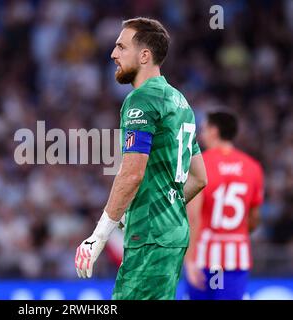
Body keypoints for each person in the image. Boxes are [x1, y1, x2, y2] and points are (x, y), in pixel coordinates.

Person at [74, 17, 208, 300]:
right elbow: (199, 178)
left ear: (144, 55)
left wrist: (99, 236)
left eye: (121, 47)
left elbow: (132, 173)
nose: (113, 54)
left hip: (150, 237)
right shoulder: (180, 101)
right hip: (172, 233)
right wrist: (162, 203)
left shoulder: (141, 100)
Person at [184, 111, 264, 300]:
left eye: (204, 129)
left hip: (204, 257)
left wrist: (188, 260)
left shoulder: (200, 163)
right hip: (236, 258)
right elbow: (253, 218)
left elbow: (192, 217)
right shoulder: (253, 167)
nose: (201, 134)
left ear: (214, 131)